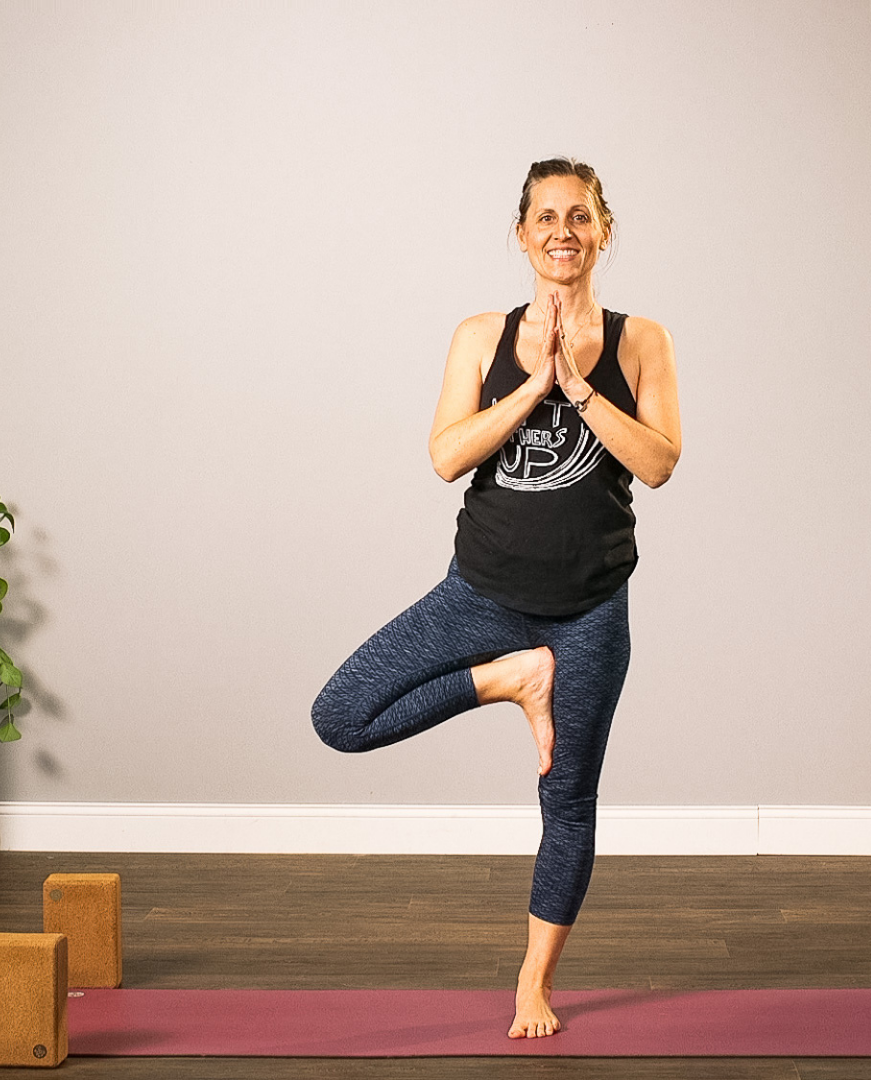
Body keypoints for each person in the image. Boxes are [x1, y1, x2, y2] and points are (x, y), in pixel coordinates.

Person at [311, 157, 681, 1039]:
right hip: (480, 594)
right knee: (341, 716)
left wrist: (579, 387)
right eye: (545, 217)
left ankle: (532, 983)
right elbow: (446, 456)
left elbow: (659, 463)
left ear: (602, 231)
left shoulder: (640, 340)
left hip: (590, 608)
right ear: (521, 234)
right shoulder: (480, 335)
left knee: (568, 801)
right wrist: (533, 384)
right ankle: (512, 679)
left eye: (579, 216)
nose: (562, 231)